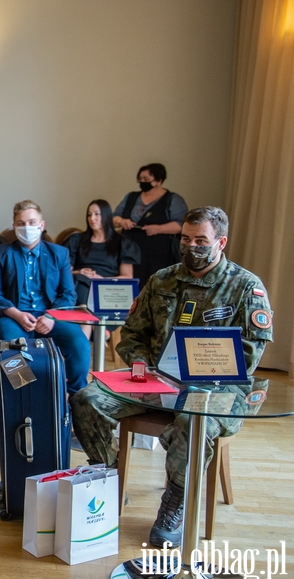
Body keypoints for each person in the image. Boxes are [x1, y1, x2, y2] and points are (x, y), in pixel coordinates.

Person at [70, 206, 273, 548]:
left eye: (201, 240)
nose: (191, 246)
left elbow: (250, 353)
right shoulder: (162, 279)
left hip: (216, 387)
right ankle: (107, 476)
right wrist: (141, 365)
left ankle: (174, 504)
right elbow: (132, 334)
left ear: (221, 242)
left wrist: (201, 373)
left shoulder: (245, 286)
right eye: (186, 238)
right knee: (87, 400)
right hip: (157, 378)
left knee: (194, 423)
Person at [0, 200, 91, 396]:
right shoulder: (1, 254)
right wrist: (16, 314)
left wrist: (50, 317)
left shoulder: (59, 254)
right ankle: (23, 398)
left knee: (80, 344)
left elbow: (68, 294)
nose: (27, 227)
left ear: (41, 225)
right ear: (14, 227)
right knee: (9, 344)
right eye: (21, 223)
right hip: (12, 318)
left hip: (51, 318)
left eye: (32, 222)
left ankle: (76, 398)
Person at [63, 199, 141, 337]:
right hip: (78, 288)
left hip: (108, 291)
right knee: (80, 280)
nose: (92, 218)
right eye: (89, 214)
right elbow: (63, 271)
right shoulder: (77, 240)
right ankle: (96, 328)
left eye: (96, 214)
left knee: (86, 296)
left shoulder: (122, 243)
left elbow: (127, 277)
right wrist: (79, 272)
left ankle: (90, 324)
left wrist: (101, 280)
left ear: (106, 216)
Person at [113, 163, 188, 288]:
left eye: (146, 179)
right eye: (140, 179)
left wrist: (159, 229)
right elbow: (113, 218)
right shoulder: (131, 197)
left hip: (158, 255)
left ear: (158, 180)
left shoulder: (172, 199)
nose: (142, 182)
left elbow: (182, 224)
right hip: (130, 253)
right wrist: (121, 221)